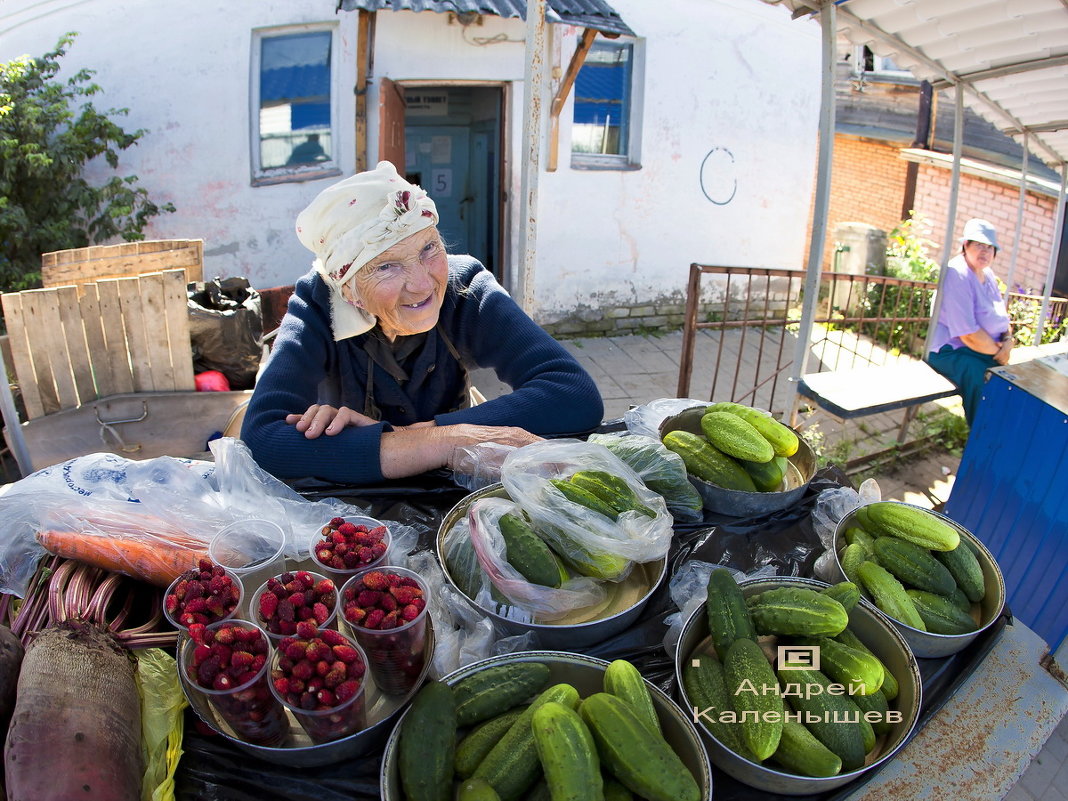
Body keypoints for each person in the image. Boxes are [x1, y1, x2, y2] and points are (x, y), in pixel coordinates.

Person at [241, 160, 604, 485]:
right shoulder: (319, 304)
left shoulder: (465, 287)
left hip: (451, 484)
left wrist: (428, 437)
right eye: (386, 266)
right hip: (352, 492)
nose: (423, 283)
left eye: (429, 248)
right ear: (348, 290)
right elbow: (263, 438)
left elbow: (573, 394)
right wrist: (449, 441)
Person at [926, 218, 1012, 425]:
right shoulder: (957, 273)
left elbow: (1002, 315)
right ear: (966, 245)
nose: (985, 252)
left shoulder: (988, 274)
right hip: (951, 351)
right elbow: (969, 335)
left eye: (990, 247)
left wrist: (1008, 340)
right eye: (979, 245)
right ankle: (981, 442)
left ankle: (998, 441)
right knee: (984, 382)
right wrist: (1001, 353)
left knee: (1008, 384)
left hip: (985, 351)